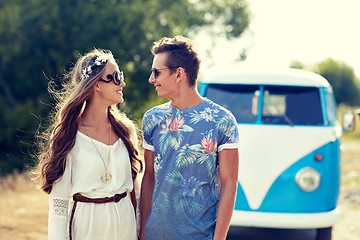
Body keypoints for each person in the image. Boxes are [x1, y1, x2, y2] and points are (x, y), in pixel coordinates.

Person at [140, 36, 240, 240]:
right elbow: (149, 177)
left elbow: (229, 183)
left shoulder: (223, 121)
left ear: (179, 74)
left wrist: (219, 238)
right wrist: (142, 233)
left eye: (156, 72)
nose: (151, 79)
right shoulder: (152, 119)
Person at [36, 49, 142, 240]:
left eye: (121, 76)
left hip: (126, 224)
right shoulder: (66, 135)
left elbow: (138, 191)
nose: (122, 83)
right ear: (96, 85)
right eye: (115, 77)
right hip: (88, 226)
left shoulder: (126, 130)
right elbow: (59, 205)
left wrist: (142, 231)